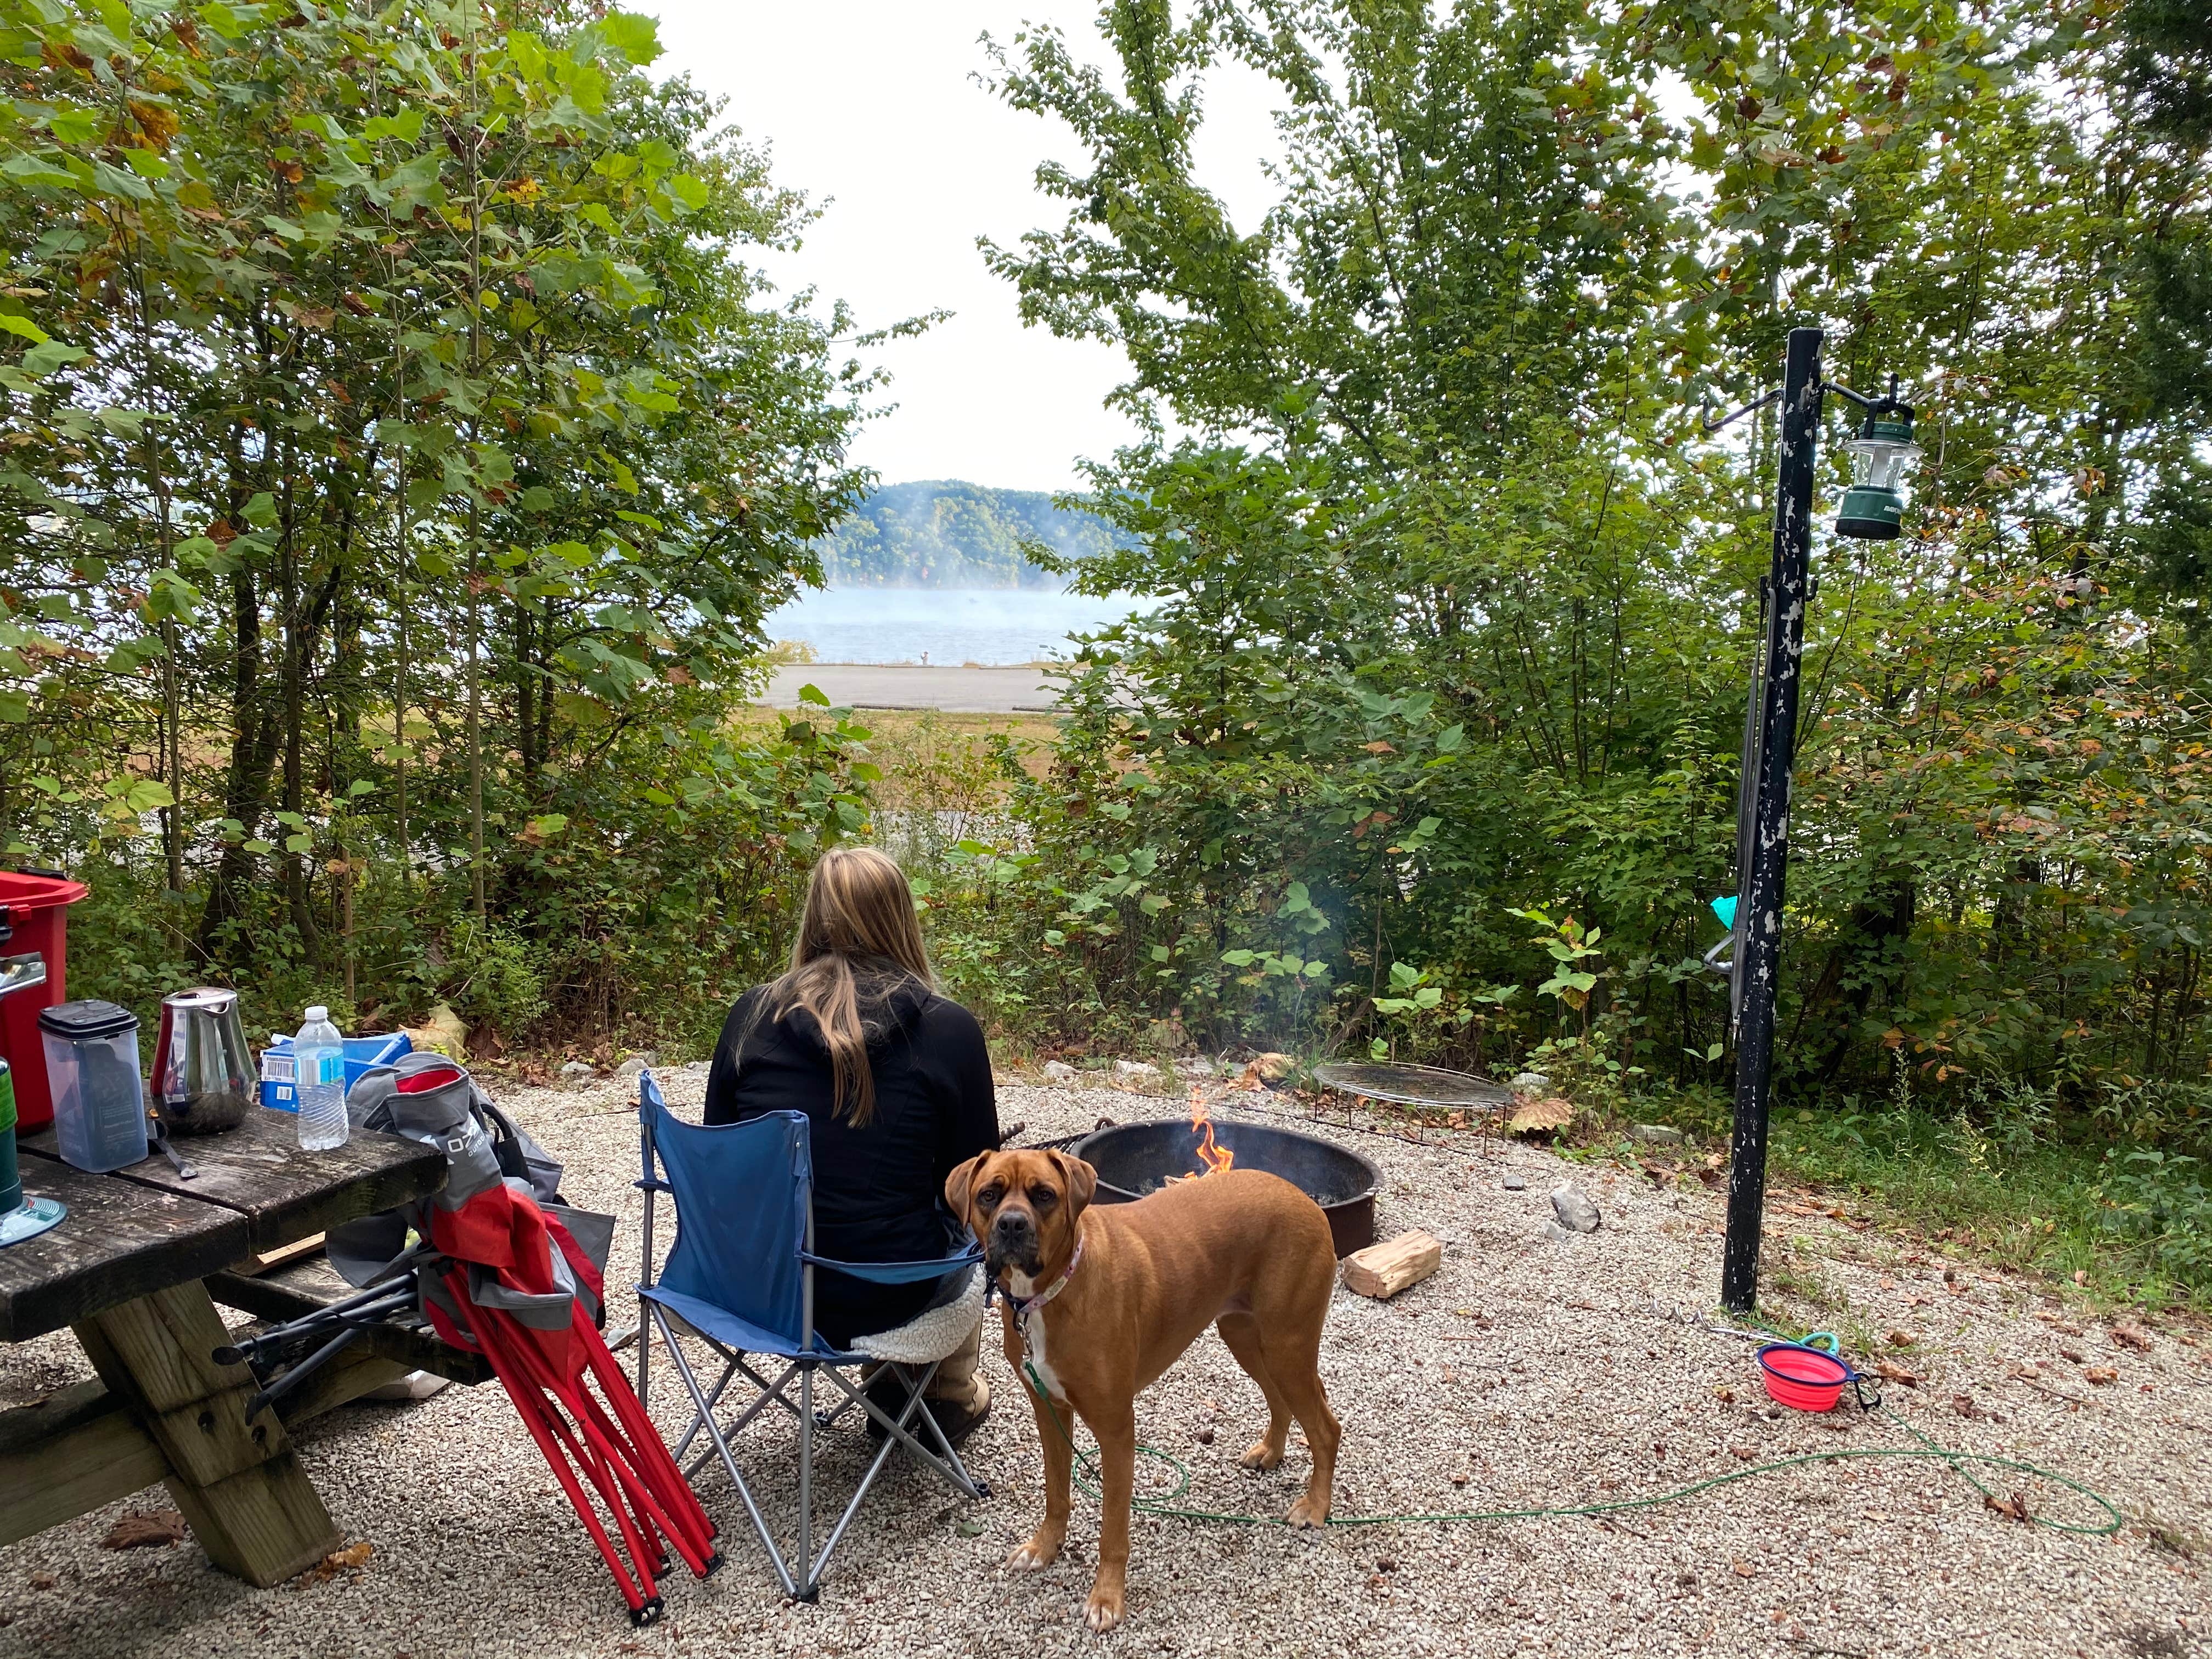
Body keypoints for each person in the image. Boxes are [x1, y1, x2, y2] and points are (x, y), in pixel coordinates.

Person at [703, 845, 997, 1439]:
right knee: (969, 1219)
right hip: (886, 1300)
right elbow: (973, 1184)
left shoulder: (749, 1016)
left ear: (813, 919)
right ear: (902, 920)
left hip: (758, 1290)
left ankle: (902, 1384)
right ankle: (942, 1394)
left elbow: (720, 1159)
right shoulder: (949, 1029)